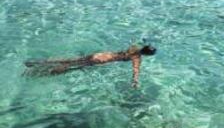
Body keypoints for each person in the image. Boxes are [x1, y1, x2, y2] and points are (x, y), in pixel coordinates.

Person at [25, 44, 156, 87]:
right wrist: (135, 81)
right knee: (72, 67)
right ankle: (43, 72)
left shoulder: (134, 47)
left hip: (100, 55)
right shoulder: (136, 57)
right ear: (147, 55)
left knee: (70, 60)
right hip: (100, 61)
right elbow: (136, 70)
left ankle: (38, 63)